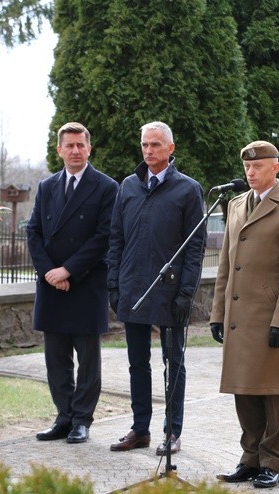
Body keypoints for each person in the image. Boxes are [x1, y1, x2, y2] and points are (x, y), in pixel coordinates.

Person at [210, 140, 279, 489]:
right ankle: (250, 457)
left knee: (271, 392)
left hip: (270, 317)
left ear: (276, 168)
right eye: (247, 168)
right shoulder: (237, 204)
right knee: (244, 389)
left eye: (258, 167)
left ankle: (273, 461)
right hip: (239, 315)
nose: (251, 172)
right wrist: (217, 312)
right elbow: (227, 263)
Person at [107, 121, 205, 456]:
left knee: (172, 363)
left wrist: (185, 293)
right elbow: (116, 238)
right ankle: (140, 429)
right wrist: (114, 283)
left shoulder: (188, 190)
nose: (149, 151)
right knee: (138, 363)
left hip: (169, 291)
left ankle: (172, 432)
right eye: (145, 145)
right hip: (133, 288)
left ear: (170, 149)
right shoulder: (129, 186)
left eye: (156, 145)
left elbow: (195, 248)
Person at [26, 122, 119, 444]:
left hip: (86, 283)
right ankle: (63, 417)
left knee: (88, 360)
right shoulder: (47, 186)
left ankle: (82, 420)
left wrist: (68, 271)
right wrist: (50, 272)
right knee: (56, 358)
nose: (76, 151)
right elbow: (33, 231)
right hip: (52, 285)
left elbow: (104, 236)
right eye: (70, 145)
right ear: (59, 150)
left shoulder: (106, 187)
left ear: (89, 148)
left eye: (81, 145)